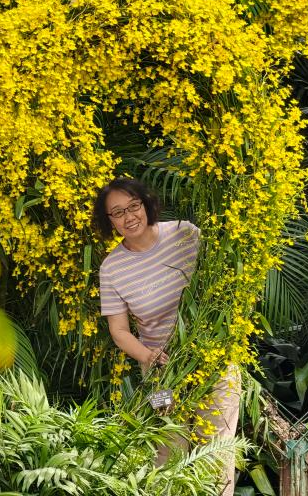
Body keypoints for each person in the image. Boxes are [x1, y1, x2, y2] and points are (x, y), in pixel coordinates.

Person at [94, 177, 240, 496]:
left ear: (146, 203)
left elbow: (223, 278)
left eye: (133, 206)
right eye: (117, 212)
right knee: (167, 457)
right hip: (160, 376)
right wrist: (148, 356)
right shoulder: (111, 268)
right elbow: (119, 330)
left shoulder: (185, 233)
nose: (129, 216)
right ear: (109, 221)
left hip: (213, 362)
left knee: (216, 456)